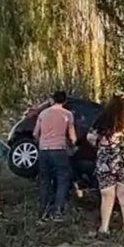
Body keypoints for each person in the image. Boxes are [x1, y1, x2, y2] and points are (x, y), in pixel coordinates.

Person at [87, 92, 124, 236]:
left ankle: (104, 227)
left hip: (106, 163)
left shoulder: (103, 121)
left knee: (107, 196)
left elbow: (90, 138)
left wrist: (101, 146)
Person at [33, 90, 77, 222]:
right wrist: (73, 145)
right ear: (64, 101)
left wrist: (40, 141)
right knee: (62, 179)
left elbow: (35, 133)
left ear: (52, 100)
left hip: (44, 150)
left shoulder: (43, 113)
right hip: (59, 150)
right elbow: (73, 137)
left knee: (45, 180)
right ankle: (57, 212)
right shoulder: (68, 114)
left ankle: (44, 212)